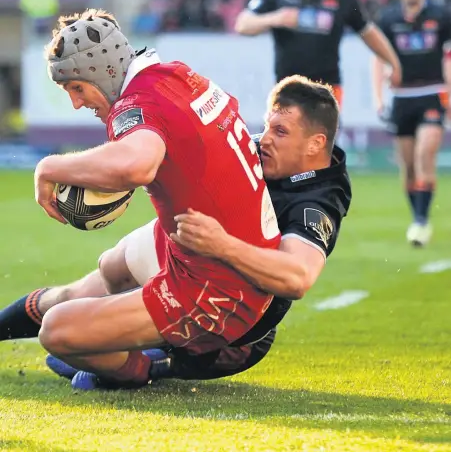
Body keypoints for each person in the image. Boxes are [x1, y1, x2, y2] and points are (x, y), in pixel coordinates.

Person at [0, 75, 352, 387]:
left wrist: (222, 244)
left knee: (72, 337)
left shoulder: (317, 201)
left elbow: (297, 278)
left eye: (281, 132)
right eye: (268, 125)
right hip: (189, 250)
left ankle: (148, 366)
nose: (265, 139)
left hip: (236, 329)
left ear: (315, 144)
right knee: (98, 277)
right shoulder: (250, 146)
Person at [27, 8, 283, 389]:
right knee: (112, 266)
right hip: (230, 254)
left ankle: (150, 369)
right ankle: (128, 340)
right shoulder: (177, 75)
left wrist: (48, 168)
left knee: (57, 331)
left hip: (219, 291)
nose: (77, 104)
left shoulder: (134, 105)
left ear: (103, 71)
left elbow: (137, 165)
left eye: (77, 88)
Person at [234, 0, 402, 108]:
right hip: (286, 88)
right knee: (285, 133)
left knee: (320, 134)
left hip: (326, 89)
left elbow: (368, 33)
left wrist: (393, 62)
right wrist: (275, 18)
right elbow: (243, 25)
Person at [373, 0, 451, 247]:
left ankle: (421, 220)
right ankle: (417, 215)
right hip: (402, 97)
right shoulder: (388, 19)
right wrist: (379, 96)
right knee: (407, 166)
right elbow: (378, 57)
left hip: (432, 93)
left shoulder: (441, 16)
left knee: (424, 155)